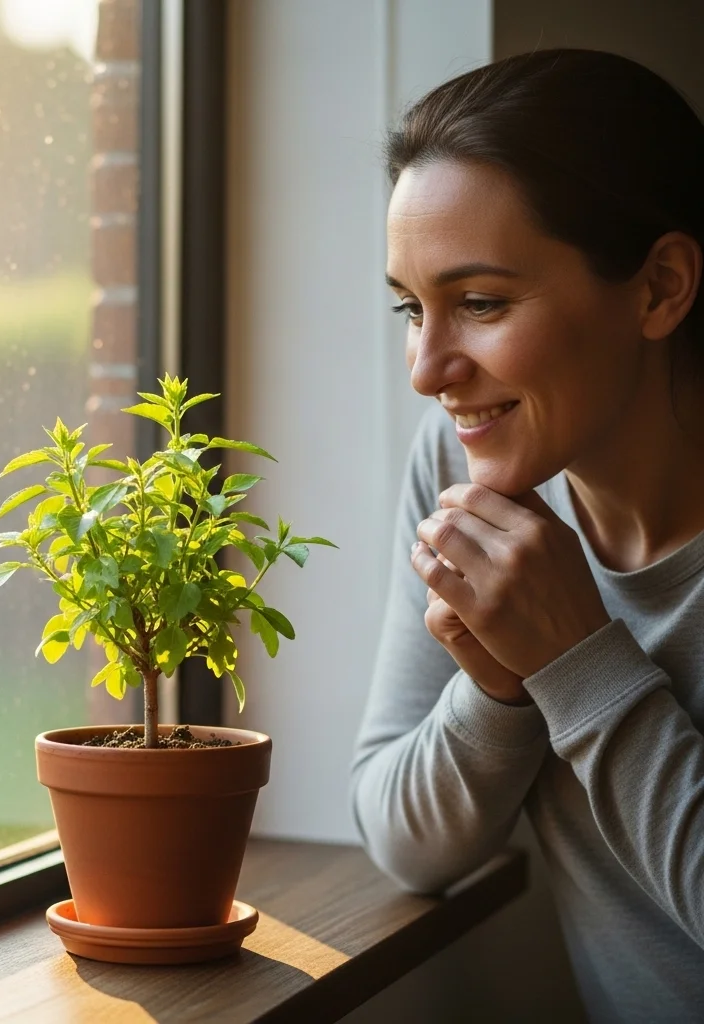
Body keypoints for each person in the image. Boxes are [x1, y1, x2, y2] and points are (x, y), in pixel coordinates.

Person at [351, 49, 704, 1024]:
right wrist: (499, 683)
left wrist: (577, 660)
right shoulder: (466, 456)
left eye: (479, 303)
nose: (427, 370)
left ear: (658, 288)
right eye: (408, 308)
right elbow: (406, 841)